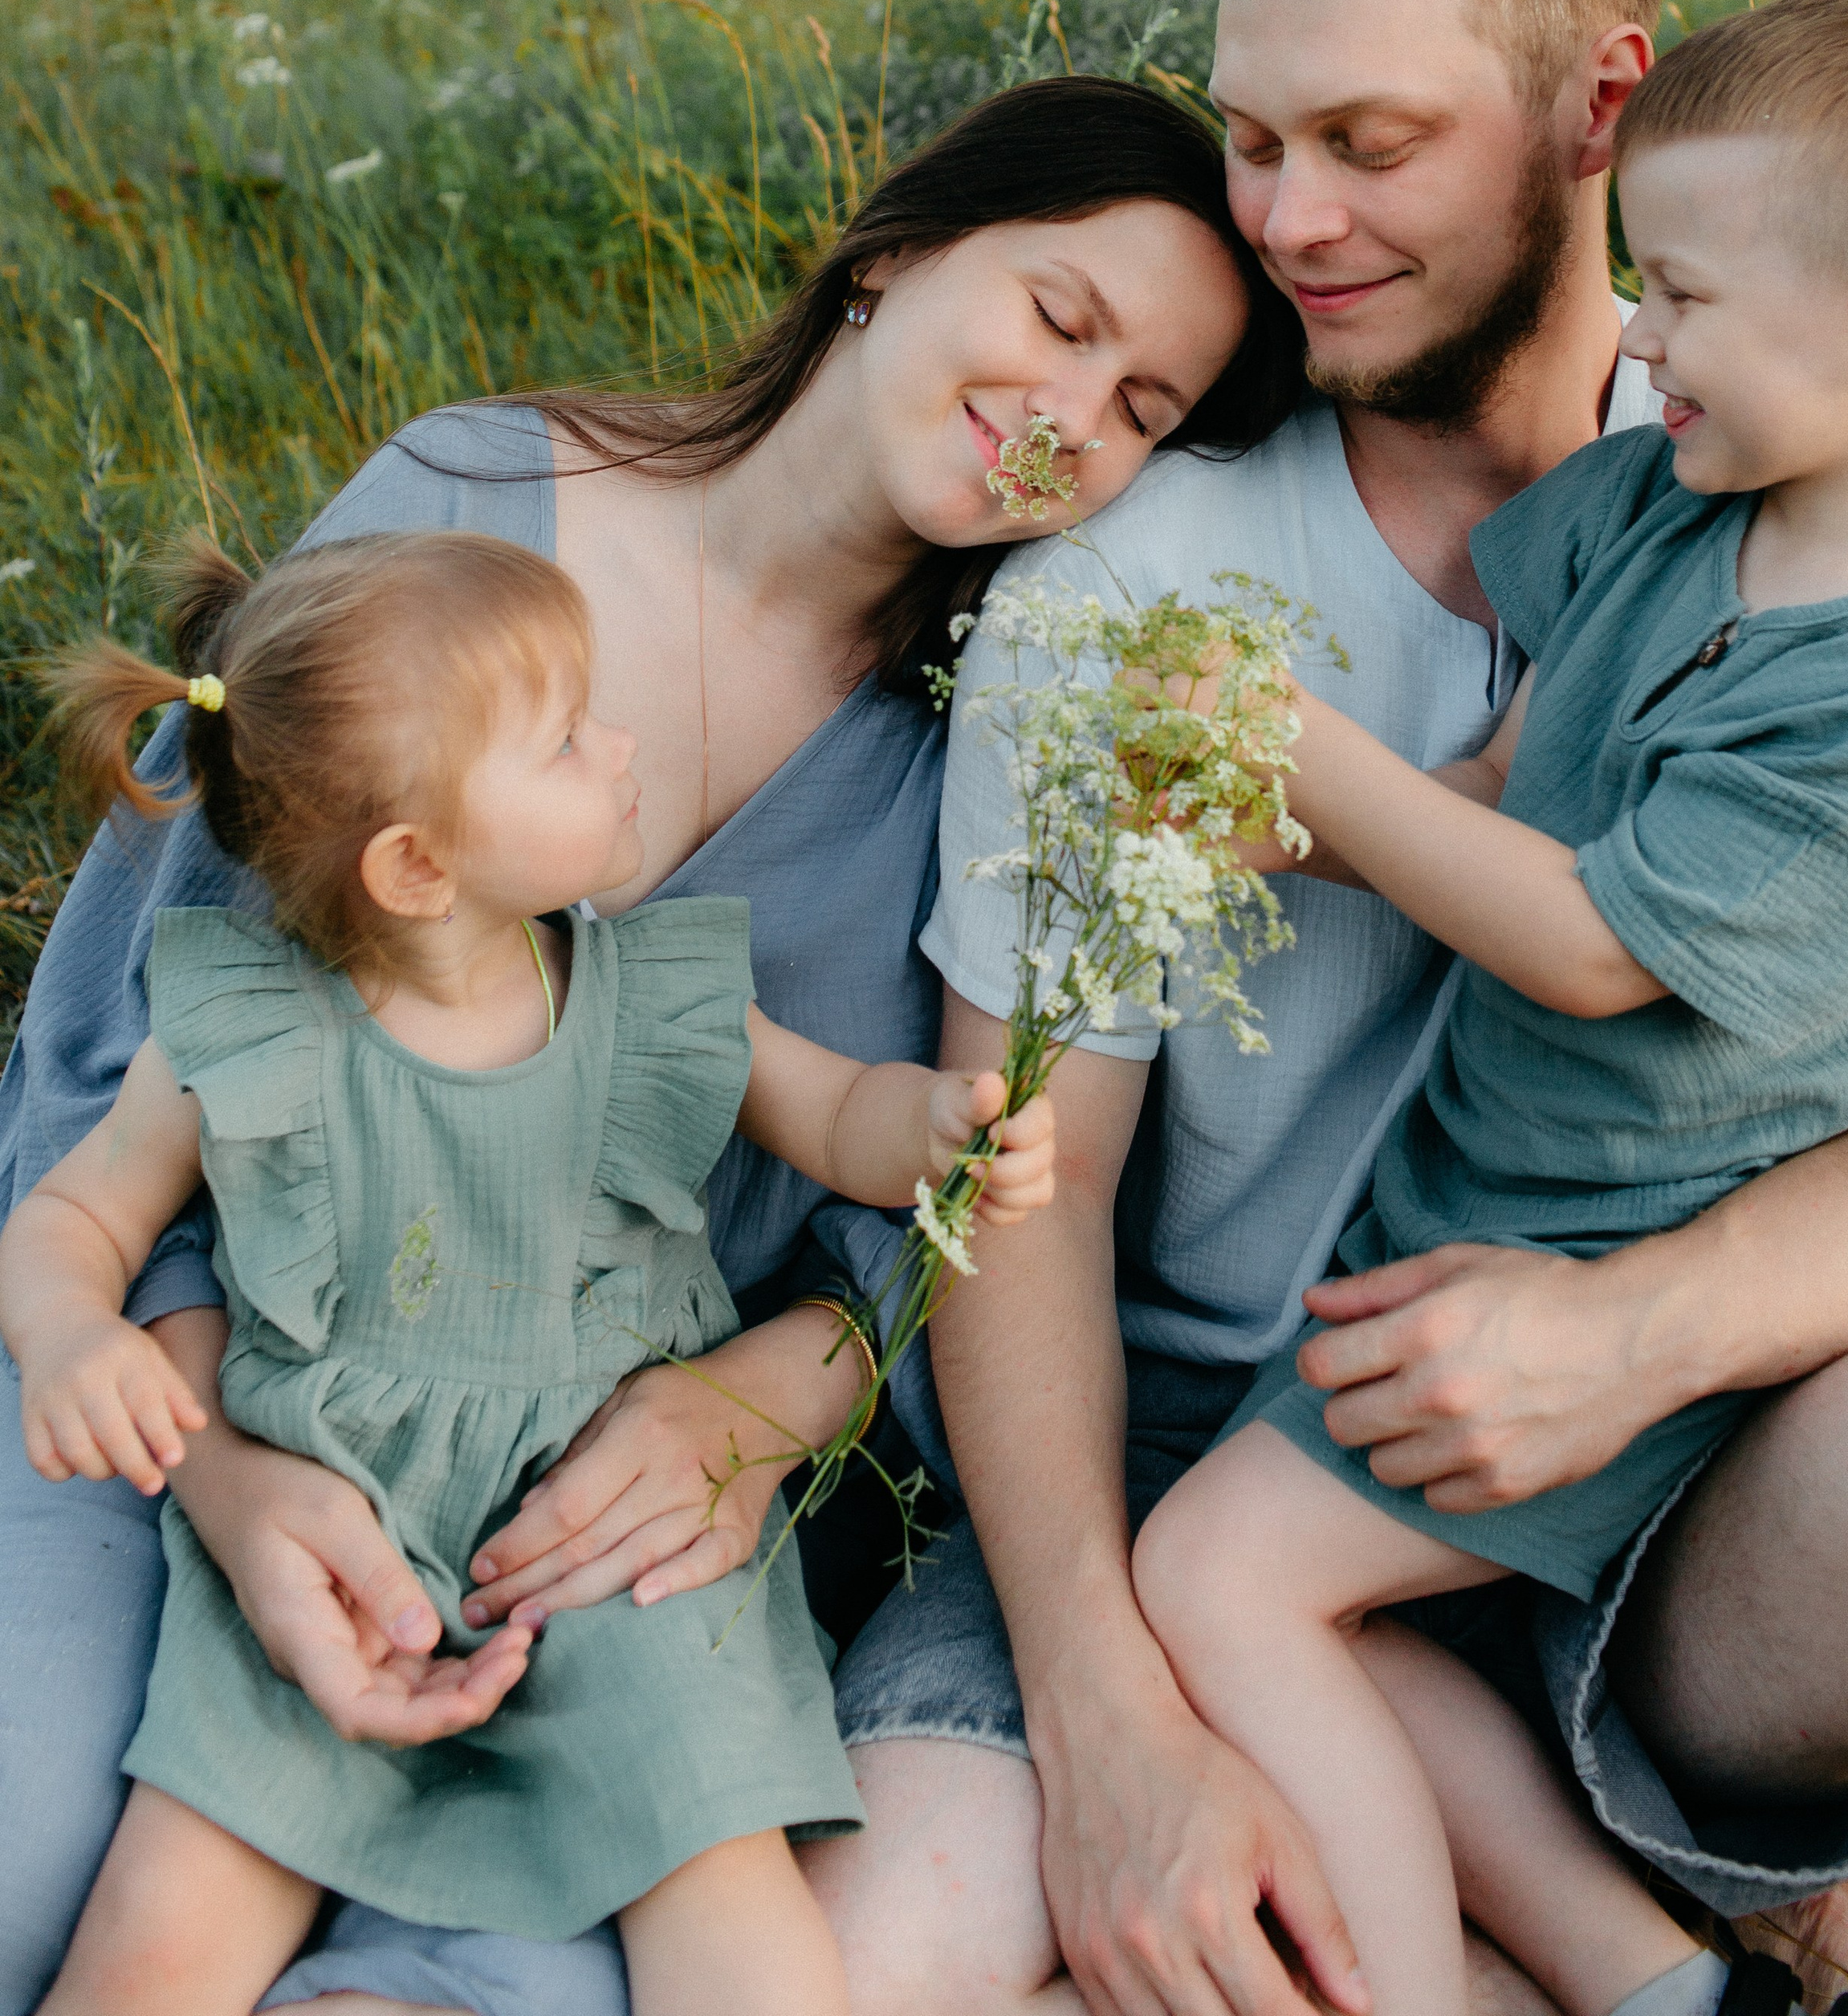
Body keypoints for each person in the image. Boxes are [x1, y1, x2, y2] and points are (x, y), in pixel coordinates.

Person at [813, 0, 1848, 2016]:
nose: (1288, 222)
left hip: (1677, 1478)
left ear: (1605, 104)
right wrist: (1105, 1726)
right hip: (1201, 1481)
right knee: (897, 1961)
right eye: (1256, 141)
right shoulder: (1137, 581)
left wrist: (1637, 1335)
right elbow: (1028, 1181)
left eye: (1372, 146)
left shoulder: (1831, 509)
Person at [0, 75, 1305, 2016]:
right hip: (197, 1407)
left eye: (1140, 414)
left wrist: (744, 1411)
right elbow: (129, 1053)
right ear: (892, 254)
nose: (1067, 421)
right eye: (1057, 317)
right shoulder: (466, 504)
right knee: (35, 1878)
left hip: (590, 1516)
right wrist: (234, 1485)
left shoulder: (979, 729)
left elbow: (909, 1225)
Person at [1131, 0, 1848, 2016]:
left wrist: (1309, 757)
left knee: (1212, 1579)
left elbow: (1577, 935)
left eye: (1686, 294)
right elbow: (1497, 792)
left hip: (1633, 1286)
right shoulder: (1667, 503)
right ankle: (1662, 1986)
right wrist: (1267, 822)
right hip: (1464, 1227)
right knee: (1336, 1626)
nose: (1635, 338)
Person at [4, 525, 1060, 2014]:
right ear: (418, 865)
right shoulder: (243, 1035)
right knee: (164, 1933)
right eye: (566, 739)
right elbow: (74, 1217)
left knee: (733, 1902)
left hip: (615, 1538)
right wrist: (64, 1333)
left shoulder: (647, 996)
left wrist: (942, 1125)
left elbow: (835, 1113)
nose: (621, 746)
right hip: (334, 1546)